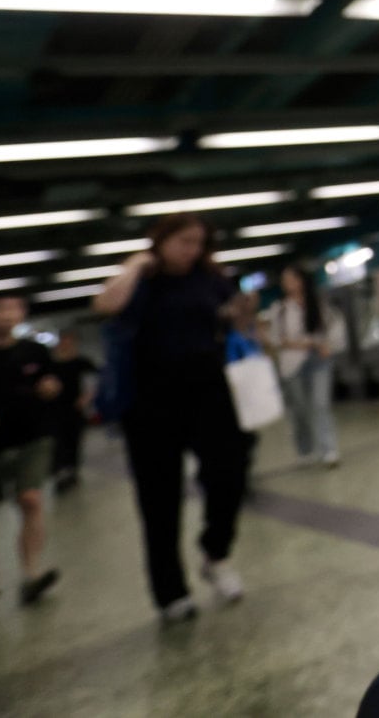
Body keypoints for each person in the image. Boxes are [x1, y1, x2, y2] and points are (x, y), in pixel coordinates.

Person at [94, 214, 251, 622]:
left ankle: (214, 553)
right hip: (149, 403)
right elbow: (105, 304)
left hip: (208, 391)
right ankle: (170, 593)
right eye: (183, 241)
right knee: (158, 499)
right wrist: (135, 265)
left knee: (230, 473)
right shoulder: (142, 277)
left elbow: (231, 313)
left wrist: (240, 311)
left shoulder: (207, 276)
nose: (192, 249)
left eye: (198, 242)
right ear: (160, 241)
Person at [0, 293, 60, 605]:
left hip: (31, 437)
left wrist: (50, 388)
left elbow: (52, 382)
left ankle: (30, 575)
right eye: (1, 309)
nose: (8, 315)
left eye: (15, 308)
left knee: (30, 499)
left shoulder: (36, 350)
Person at [261, 266, 347, 468]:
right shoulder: (280, 309)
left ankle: (329, 450)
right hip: (292, 364)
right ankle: (305, 448)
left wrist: (327, 345)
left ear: (301, 280)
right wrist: (297, 343)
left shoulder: (319, 305)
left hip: (318, 360)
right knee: (300, 409)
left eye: (290, 278)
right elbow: (274, 338)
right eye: (284, 280)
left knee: (320, 405)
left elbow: (334, 327)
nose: (287, 283)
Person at [47, 329, 98, 493]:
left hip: (75, 409)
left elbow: (96, 380)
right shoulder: (50, 364)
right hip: (54, 410)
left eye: (70, 340)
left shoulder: (82, 362)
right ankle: (60, 472)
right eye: (64, 340)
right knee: (57, 443)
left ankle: (72, 471)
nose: (66, 344)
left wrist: (87, 398)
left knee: (73, 441)